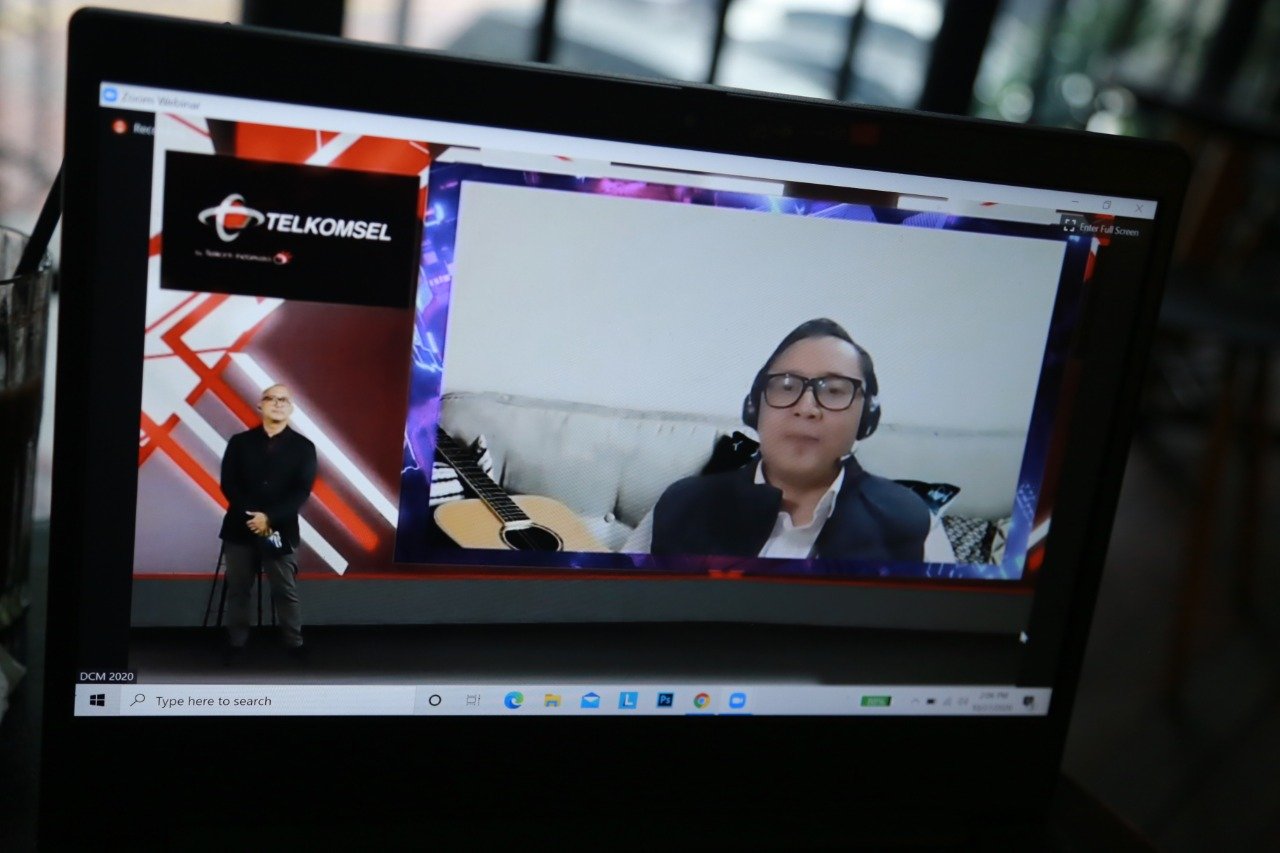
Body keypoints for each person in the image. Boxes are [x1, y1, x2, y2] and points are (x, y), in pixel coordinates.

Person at [648, 318, 929, 564]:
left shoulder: (907, 517)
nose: (806, 408)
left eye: (834, 391)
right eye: (786, 386)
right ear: (754, 407)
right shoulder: (683, 504)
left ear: (867, 416)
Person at [219, 383, 317, 659]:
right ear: (260, 405)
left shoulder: (303, 447)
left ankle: (294, 643)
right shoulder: (239, 442)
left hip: (280, 530)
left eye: (283, 400)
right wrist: (253, 516)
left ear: (291, 408)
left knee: (285, 590)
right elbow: (228, 484)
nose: (277, 403)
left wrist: (269, 518)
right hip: (240, 529)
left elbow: (302, 490)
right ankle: (236, 643)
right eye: (271, 398)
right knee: (238, 590)